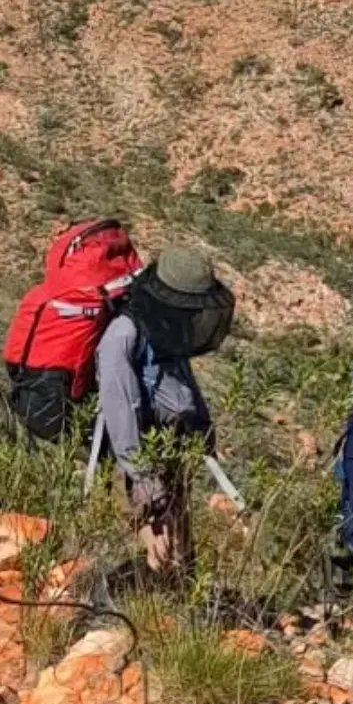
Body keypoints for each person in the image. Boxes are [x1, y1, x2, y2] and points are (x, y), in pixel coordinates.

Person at [91, 244, 235, 571]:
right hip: (144, 450)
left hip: (173, 444)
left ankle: (180, 593)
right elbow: (121, 409)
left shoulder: (167, 328)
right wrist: (143, 476)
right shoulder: (124, 333)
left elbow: (181, 382)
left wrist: (202, 427)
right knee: (160, 539)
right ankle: (155, 606)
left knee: (181, 535)